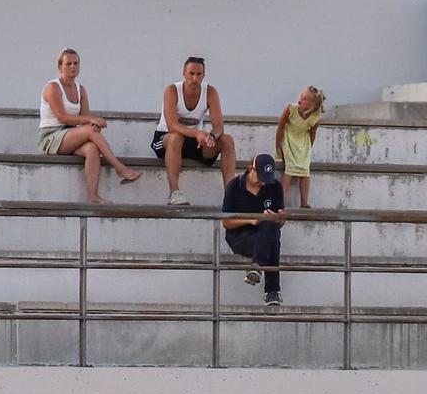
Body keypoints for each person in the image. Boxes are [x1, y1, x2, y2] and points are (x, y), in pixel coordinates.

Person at [39, 49, 140, 204]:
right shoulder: (53, 87)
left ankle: (92, 196)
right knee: (89, 130)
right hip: (51, 137)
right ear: (60, 67)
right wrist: (92, 121)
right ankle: (119, 168)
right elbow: (62, 117)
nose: (73, 67)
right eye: (68, 64)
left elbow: (83, 119)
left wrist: (93, 124)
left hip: (69, 135)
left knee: (92, 147)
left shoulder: (81, 90)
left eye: (76, 63)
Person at [153, 57, 237, 206]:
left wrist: (211, 137)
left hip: (195, 141)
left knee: (227, 140)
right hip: (167, 139)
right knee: (176, 137)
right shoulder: (172, 90)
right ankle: (174, 193)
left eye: (199, 74)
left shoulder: (210, 92)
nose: (194, 78)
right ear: (184, 73)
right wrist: (198, 134)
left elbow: (218, 126)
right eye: (191, 73)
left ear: (203, 75)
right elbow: (172, 125)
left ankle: (231, 195)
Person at [222, 153, 286, 309]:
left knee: (271, 228)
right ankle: (272, 290)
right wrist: (251, 220)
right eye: (261, 178)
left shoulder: (275, 186)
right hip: (240, 236)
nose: (263, 184)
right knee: (271, 241)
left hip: (266, 233)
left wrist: (278, 218)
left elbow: (282, 219)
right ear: (252, 169)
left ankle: (256, 266)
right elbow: (226, 222)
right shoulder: (234, 186)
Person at [274, 85, 325, 210]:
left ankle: (304, 202)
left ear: (312, 105)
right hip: (289, 138)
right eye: (301, 96)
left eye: (306, 98)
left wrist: (307, 149)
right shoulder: (290, 109)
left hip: (302, 141)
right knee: (289, 170)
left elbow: (312, 134)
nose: (301, 99)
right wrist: (278, 145)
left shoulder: (314, 118)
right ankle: (282, 202)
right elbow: (280, 127)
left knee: (305, 170)